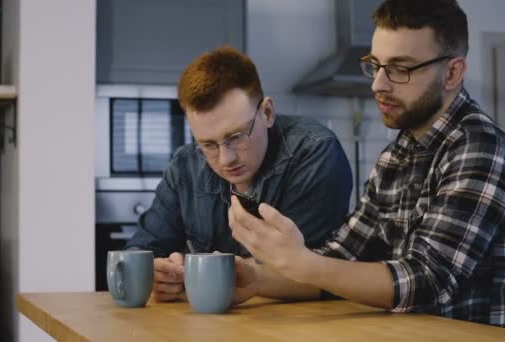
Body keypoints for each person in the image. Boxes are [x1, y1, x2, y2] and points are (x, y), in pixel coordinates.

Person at [228, 0, 505, 333]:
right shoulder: (395, 158)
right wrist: (257, 278)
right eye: (375, 65)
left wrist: (305, 265)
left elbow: (426, 280)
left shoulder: (483, 149)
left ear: (452, 73)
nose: (378, 84)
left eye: (400, 68)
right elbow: (341, 258)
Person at [126, 46, 353, 302]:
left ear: (267, 113)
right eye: (208, 144)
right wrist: (158, 272)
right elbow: (140, 249)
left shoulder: (314, 151)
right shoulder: (185, 165)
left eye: (236, 136)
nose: (225, 159)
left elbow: (315, 274)